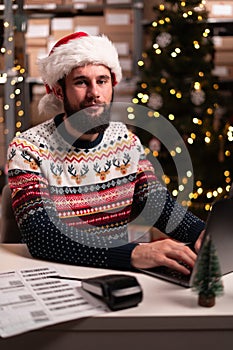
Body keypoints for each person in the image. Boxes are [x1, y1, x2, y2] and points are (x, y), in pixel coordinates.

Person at [7, 32, 205, 275]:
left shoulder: (126, 140)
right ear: (59, 91)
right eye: (81, 82)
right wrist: (134, 253)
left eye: (102, 81)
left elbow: (155, 203)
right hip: (55, 274)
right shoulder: (28, 148)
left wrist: (201, 233)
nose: (94, 94)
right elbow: (41, 235)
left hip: (115, 273)